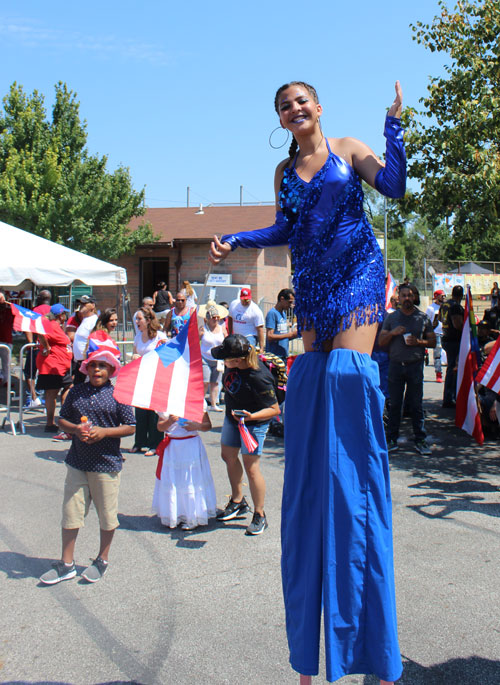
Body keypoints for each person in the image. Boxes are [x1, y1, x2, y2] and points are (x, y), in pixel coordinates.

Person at [209, 80, 405, 683]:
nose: (295, 110)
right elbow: (285, 231)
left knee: (346, 385)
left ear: (318, 107)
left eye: (302, 101)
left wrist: (394, 128)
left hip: (359, 278)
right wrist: (235, 239)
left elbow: (395, 188)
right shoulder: (283, 171)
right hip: (314, 290)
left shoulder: (348, 149)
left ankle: (361, 607)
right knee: (314, 394)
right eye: (284, 106)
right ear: (281, 119)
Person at [39, 345, 135, 585]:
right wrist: (75, 429)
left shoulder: (118, 394)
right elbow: (62, 420)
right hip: (78, 462)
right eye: (92, 365)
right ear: (86, 368)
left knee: (106, 515)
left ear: (111, 369)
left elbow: (131, 426)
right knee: (71, 513)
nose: (96, 370)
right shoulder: (76, 392)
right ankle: (67, 563)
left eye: (102, 366)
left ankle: (102, 559)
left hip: (106, 464)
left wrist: (104, 432)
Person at [211, 334, 280, 535]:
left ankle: (260, 514)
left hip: (253, 424)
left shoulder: (259, 376)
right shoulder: (233, 366)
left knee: (252, 468)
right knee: (228, 456)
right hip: (233, 419)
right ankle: (238, 500)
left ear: (238, 359)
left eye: (226, 357)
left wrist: (251, 417)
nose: (223, 360)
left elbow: (275, 409)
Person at [379, 284, 436, 454]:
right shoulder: (392, 318)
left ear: (414, 297)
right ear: (398, 298)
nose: (406, 299)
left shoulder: (423, 318)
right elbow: (381, 342)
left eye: (410, 295)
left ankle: (420, 439)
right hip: (396, 366)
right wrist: (393, 333)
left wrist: (419, 342)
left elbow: (433, 342)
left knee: (416, 405)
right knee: (395, 404)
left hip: (414, 366)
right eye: (403, 295)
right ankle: (391, 439)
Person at [152, 404, 216, 531]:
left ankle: (192, 515)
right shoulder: (166, 402)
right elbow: (160, 427)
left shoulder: (195, 399)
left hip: (190, 444)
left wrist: (196, 426)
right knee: (174, 480)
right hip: (173, 447)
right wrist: (169, 421)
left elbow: (208, 425)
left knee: (190, 480)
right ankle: (175, 513)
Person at [131, 307, 167, 455]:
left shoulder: (160, 336)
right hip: (141, 377)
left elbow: (166, 357)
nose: (137, 322)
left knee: (154, 412)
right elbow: (134, 353)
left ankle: (155, 444)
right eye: (137, 319)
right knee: (140, 410)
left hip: (156, 378)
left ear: (148, 320)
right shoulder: (138, 336)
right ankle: (139, 442)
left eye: (140, 319)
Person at [35, 304, 73, 433]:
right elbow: (40, 332)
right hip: (53, 366)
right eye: (64, 314)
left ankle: (57, 421)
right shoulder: (51, 324)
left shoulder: (56, 326)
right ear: (60, 315)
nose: (66, 317)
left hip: (58, 366)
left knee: (64, 388)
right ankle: (52, 423)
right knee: (53, 392)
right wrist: (46, 347)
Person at [24, 289, 51, 407]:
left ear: (40, 298)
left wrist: (31, 343)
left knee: (30, 373)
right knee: (45, 373)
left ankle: (33, 398)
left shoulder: (35, 311)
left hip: (37, 346)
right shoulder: (53, 311)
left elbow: (28, 328)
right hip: (49, 347)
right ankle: (42, 397)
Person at [439, 285, 464, 408]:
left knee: (452, 367)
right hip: (454, 339)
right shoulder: (455, 306)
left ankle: (450, 396)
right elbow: (457, 324)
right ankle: (450, 397)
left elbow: (439, 318)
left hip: (446, 337)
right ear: (461, 295)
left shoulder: (445, 304)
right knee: (454, 368)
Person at [199, 305, 227, 411]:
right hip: (205, 358)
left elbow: (226, 342)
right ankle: (201, 402)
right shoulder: (203, 329)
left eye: (217, 317)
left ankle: (213, 404)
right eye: (213, 317)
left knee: (215, 382)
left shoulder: (222, 329)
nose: (216, 319)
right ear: (208, 318)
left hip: (218, 359)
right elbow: (196, 341)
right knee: (205, 381)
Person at [72, 295, 98, 385]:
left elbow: (96, 342)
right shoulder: (85, 320)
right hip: (80, 364)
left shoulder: (94, 321)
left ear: (92, 305)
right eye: (81, 303)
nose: (81, 305)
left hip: (87, 363)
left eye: (84, 303)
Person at [265, 288, 297, 360]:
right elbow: (270, 336)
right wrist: (289, 335)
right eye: (289, 302)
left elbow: (282, 335)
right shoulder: (272, 314)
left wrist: (294, 335)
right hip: (274, 356)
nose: (290, 305)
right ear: (282, 299)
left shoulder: (283, 314)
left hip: (283, 355)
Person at [425, 289, 445, 383]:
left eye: (444, 296)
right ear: (436, 297)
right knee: (438, 354)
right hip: (436, 333)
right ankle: (438, 373)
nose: (443, 297)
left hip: (446, 333)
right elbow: (427, 321)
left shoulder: (446, 307)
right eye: (441, 296)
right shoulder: (431, 308)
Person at [0, 290, 14, 386]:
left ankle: (6, 380)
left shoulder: (10, 311)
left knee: (6, 363)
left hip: (6, 340)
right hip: (5, 339)